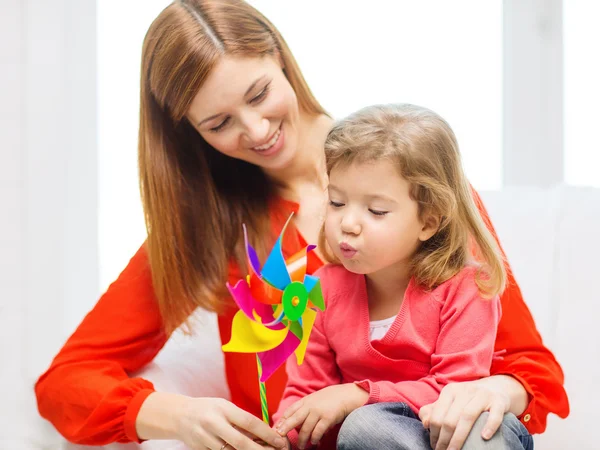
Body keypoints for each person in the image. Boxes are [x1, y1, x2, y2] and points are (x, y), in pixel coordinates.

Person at [34, 1, 569, 449]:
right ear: (190, 133)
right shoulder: (208, 228)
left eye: (259, 93)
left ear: (280, 57)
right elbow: (65, 382)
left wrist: (496, 393)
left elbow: (530, 367)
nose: (257, 129)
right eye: (219, 123)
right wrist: (176, 415)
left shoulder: (412, 179)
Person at [272, 103, 530, 450]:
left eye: (376, 210)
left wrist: (356, 395)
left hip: (455, 430)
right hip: (380, 440)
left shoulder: (466, 288)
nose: (348, 223)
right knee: (364, 429)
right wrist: (280, 438)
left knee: (477, 428)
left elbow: (455, 393)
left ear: (429, 221)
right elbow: (305, 392)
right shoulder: (317, 292)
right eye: (336, 202)